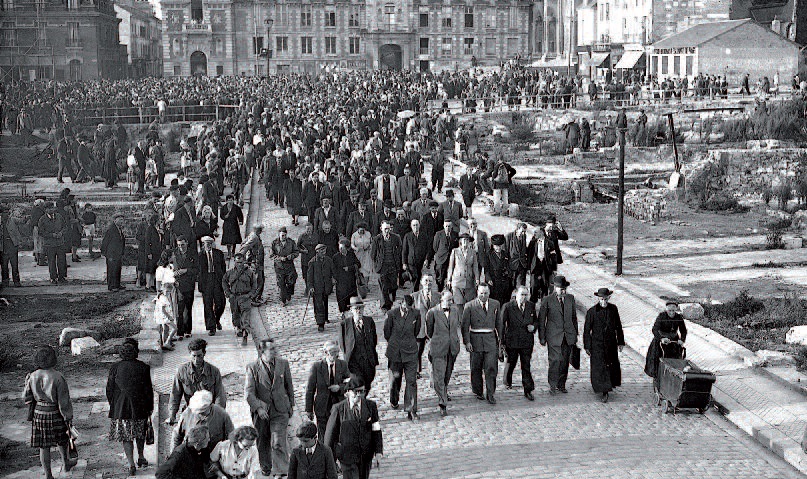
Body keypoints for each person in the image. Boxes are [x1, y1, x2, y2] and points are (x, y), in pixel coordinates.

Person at [23, 345, 78, 479]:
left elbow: (26, 397)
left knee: (43, 446)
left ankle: (48, 475)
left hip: (39, 413)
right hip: (55, 413)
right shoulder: (58, 377)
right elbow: (63, 401)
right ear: (54, 359)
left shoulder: (32, 376)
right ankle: (66, 463)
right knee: (62, 440)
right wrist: (68, 417)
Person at [245, 338, 295, 478]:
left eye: (275, 348)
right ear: (262, 351)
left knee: (278, 441)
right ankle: (266, 466)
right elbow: (249, 393)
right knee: (263, 441)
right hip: (262, 411)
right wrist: (259, 409)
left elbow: (288, 385)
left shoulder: (283, 364)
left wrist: (291, 404)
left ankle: (281, 471)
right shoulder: (252, 367)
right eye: (271, 349)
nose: (275, 351)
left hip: (280, 410)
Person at [105, 338, 154, 475]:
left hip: (121, 408)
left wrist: (114, 405)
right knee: (140, 433)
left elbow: (109, 389)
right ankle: (141, 456)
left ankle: (131, 463)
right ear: (136, 351)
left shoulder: (115, 367)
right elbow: (148, 390)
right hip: (140, 407)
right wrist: (150, 407)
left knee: (127, 436)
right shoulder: (144, 367)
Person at [324, 375, 383, 479]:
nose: (359, 395)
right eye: (355, 392)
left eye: (361, 391)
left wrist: (378, 452)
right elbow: (330, 436)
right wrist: (329, 460)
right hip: (347, 456)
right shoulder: (338, 409)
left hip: (366, 456)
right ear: (347, 393)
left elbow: (376, 430)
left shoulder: (371, 406)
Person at [167, 338, 227, 425]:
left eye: (199, 356)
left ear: (204, 354)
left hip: (209, 414)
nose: (196, 360)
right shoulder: (182, 371)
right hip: (190, 413)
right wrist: (172, 415)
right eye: (193, 356)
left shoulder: (214, 371)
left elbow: (220, 396)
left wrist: (217, 416)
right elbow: (175, 394)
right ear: (189, 354)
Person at [461, 283, 502, 405]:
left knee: (491, 367)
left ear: (489, 293)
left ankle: (490, 393)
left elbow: (499, 323)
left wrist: (500, 341)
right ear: (477, 292)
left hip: (490, 339)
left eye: (486, 293)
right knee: (476, 367)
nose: (483, 296)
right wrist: (467, 342)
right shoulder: (469, 306)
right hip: (476, 339)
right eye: (481, 293)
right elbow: (464, 326)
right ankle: (478, 391)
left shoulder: (495, 304)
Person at [538, 275, 579, 395]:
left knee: (565, 361)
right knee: (555, 360)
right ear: (555, 288)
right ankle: (552, 385)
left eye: (565, 288)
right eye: (561, 289)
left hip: (568, 335)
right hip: (553, 336)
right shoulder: (547, 300)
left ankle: (562, 384)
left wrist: (575, 333)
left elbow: (574, 317)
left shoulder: (570, 299)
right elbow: (541, 320)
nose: (564, 291)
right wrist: (542, 337)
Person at [583, 288, 625, 403]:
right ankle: (603, 390)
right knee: (599, 368)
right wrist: (587, 346)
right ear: (598, 298)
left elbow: (618, 326)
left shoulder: (613, 309)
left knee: (610, 366)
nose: (604, 302)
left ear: (609, 298)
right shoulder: (592, 312)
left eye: (606, 299)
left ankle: (608, 387)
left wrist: (620, 342)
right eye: (601, 299)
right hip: (597, 345)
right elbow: (587, 330)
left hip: (610, 344)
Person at [383, 294, 420, 420]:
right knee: (395, 380)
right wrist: (395, 343)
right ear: (401, 303)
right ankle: (394, 400)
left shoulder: (416, 314)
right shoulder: (392, 314)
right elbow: (387, 333)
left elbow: (416, 331)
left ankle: (411, 409)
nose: (407, 309)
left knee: (411, 381)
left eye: (410, 307)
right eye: (405, 306)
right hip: (395, 353)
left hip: (410, 352)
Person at [426, 290, 462, 416]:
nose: (450, 302)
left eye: (451, 299)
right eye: (447, 300)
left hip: (452, 348)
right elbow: (428, 331)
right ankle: (443, 403)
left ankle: (444, 392)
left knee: (447, 374)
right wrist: (438, 340)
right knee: (439, 377)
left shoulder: (456, 311)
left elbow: (456, 326)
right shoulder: (433, 312)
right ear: (441, 300)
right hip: (438, 348)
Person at [306, 340, 350, 441]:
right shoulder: (317, 367)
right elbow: (310, 389)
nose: (335, 354)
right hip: (322, 407)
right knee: (324, 436)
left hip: (338, 404)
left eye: (337, 351)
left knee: (338, 434)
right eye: (332, 352)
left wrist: (340, 387)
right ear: (326, 352)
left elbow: (350, 383)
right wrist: (309, 409)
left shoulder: (343, 365)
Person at [501, 286, 538, 401]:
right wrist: (501, 342)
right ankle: (507, 380)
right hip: (512, 340)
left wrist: (534, 327)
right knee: (511, 362)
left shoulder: (531, 306)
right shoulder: (508, 307)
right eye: (522, 295)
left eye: (526, 295)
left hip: (526, 341)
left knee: (526, 365)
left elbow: (536, 320)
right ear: (516, 295)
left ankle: (528, 389)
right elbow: (502, 324)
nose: (524, 297)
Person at [172, 390, 234, 457]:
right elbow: (177, 436)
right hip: (190, 456)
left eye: (202, 412)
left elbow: (231, 439)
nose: (200, 415)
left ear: (210, 406)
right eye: (197, 413)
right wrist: (174, 455)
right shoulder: (187, 413)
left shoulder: (222, 415)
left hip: (212, 457)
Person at [339, 297, 379, 391]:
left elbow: (374, 339)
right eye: (356, 308)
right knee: (357, 381)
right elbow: (342, 344)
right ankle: (359, 401)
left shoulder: (369, 321)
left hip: (368, 360)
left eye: (361, 308)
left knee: (368, 381)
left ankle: (363, 401)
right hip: (353, 361)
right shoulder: (345, 324)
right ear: (351, 310)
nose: (359, 311)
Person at [644, 301, 687, 379]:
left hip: (673, 341)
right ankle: (657, 377)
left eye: (673, 311)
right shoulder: (661, 316)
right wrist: (661, 338)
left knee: (674, 360)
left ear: (676, 310)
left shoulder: (678, 318)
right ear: (666, 310)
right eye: (669, 311)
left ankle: (673, 377)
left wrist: (682, 340)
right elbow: (655, 329)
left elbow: (683, 330)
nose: (671, 313)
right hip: (661, 340)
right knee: (658, 359)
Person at [223, 252, 258, 345]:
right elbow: (224, 282)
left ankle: (245, 334)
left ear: (244, 262)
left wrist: (250, 295)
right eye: (237, 262)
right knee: (235, 316)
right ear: (234, 262)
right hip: (234, 297)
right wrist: (228, 293)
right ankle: (238, 328)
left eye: (241, 262)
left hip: (245, 297)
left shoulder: (249, 272)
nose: (239, 264)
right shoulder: (230, 272)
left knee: (245, 317)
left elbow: (254, 284)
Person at [371, 221, 402, 312]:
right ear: (381, 229)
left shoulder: (396, 238)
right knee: (383, 286)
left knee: (393, 285)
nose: (387, 231)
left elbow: (399, 250)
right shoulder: (377, 239)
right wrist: (377, 264)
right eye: (385, 229)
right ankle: (385, 305)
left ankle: (390, 299)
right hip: (382, 266)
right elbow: (373, 254)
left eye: (389, 229)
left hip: (393, 265)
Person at [199, 236, 227, 335]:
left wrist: (223, 280)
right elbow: (199, 272)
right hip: (206, 282)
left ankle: (216, 319)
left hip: (217, 280)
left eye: (210, 243)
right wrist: (200, 285)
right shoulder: (200, 256)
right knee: (208, 305)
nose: (208, 245)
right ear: (203, 245)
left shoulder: (218, 254)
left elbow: (223, 267)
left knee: (221, 303)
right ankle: (211, 327)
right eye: (206, 244)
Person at [446, 233, 479, 314]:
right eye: (464, 240)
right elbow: (451, 267)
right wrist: (449, 280)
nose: (466, 242)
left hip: (469, 281)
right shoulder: (455, 251)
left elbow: (475, 266)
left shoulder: (473, 252)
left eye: (467, 240)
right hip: (457, 281)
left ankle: (467, 322)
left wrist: (477, 278)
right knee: (458, 303)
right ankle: (459, 322)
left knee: (469, 303)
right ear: (460, 241)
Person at [173, 235, 198, 339]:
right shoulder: (174, 253)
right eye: (179, 245)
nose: (181, 247)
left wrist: (186, 270)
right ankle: (180, 332)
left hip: (189, 284)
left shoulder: (193, 253)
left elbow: (197, 269)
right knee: (179, 309)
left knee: (188, 308)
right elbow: (165, 264)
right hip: (178, 285)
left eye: (182, 245)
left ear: (187, 243)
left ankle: (188, 330)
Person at [307, 244, 335, 331]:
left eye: (325, 251)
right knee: (318, 304)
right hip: (317, 287)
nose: (324, 253)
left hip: (326, 286)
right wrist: (310, 286)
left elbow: (333, 271)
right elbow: (309, 276)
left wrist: (333, 278)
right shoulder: (312, 262)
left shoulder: (328, 260)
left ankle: (325, 317)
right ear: (317, 252)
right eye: (322, 251)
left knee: (325, 301)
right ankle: (320, 323)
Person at [270, 226, 299, 307]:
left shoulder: (291, 242)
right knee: (281, 283)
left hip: (289, 265)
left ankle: (288, 293)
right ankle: (282, 300)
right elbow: (271, 255)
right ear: (279, 235)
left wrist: (291, 256)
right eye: (282, 235)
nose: (284, 237)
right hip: (279, 267)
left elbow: (296, 252)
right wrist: (279, 258)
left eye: (285, 235)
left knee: (292, 281)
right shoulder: (274, 243)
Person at [39, 202, 67, 284]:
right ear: (45, 210)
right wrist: (52, 235)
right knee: (51, 261)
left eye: (52, 208)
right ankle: (53, 277)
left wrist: (61, 233)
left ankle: (62, 277)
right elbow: (41, 232)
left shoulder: (59, 216)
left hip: (60, 243)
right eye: (49, 208)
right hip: (49, 244)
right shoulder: (42, 219)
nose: (51, 209)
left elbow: (65, 227)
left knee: (61, 260)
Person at [333, 239, 361, 315]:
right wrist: (334, 278)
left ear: (347, 248)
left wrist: (350, 268)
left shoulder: (351, 255)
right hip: (341, 281)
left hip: (350, 280)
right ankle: (343, 312)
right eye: (339, 248)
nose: (340, 249)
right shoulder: (336, 257)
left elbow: (358, 264)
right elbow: (333, 269)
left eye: (342, 248)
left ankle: (352, 311)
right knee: (341, 297)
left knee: (351, 297)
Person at [100, 213, 126, 291]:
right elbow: (105, 242)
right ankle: (111, 286)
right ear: (115, 220)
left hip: (118, 253)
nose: (122, 221)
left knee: (117, 269)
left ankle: (117, 285)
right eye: (120, 220)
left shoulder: (119, 229)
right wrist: (104, 253)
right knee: (112, 270)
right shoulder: (111, 230)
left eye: (123, 220)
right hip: (111, 254)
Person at [241, 224, 266, 306]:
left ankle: (257, 297)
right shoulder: (254, 237)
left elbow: (243, 243)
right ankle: (254, 298)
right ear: (257, 230)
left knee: (261, 279)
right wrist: (240, 257)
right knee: (259, 280)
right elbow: (245, 246)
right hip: (256, 262)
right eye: (260, 229)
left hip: (258, 261)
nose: (262, 231)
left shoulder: (253, 235)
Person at [402, 219, 428, 291]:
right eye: (414, 225)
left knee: (418, 276)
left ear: (419, 225)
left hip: (420, 261)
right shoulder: (407, 236)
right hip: (411, 261)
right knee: (415, 276)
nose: (415, 227)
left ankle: (414, 292)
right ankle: (414, 293)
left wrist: (426, 259)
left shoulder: (423, 236)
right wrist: (404, 263)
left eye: (417, 225)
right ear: (411, 226)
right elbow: (404, 250)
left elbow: (427, 248)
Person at [432, 219, 458, 292]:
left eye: (449, 226)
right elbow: (435, 247)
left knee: (451, 276)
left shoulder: (455, 234)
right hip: (441, 258)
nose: (448, 228)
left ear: (451, 226)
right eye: (446, 226)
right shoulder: (438, 234)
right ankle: (440, 291)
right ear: (443, 226)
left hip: (451, 259)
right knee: (440, 277)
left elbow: (456, 246)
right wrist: (440, 253)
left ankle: (449, 292)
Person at [0, 204, 22, 287]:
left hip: (12, 246)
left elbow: (17, 231)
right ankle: (5, 281)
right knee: (4, 266)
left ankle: (16, 281)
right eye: (4, 213)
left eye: (7, 212)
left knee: (14, 265)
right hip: (3, 247)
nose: (6, 214)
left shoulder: (12, 220)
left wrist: (19, 242)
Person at [154, 281, 178, 350]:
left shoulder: (160, 296)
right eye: (167, 291)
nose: (168, 293)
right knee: (174, 328)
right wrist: (169, 316)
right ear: (163, 289)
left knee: (166, 329)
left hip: (160, 316)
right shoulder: (164, 298)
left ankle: (164, 343)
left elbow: (154, 302)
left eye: (169, 292)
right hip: (164, 316)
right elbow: (163, 310)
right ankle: (167, 342)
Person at [220, 195, 244, 259]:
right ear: (226, 201)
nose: (230, 201)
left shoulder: (236, 208)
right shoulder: (224, 208)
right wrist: (225, 217)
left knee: (234, 239)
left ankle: (233, 251)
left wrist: (241, 221)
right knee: (227, 239)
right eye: (229, 200)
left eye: (231, 200)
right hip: (227, 224)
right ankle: (229, 252)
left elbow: (240, 215)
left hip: (234, 224)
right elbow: (221, 216)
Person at [298, 222, 318, 290]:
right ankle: (307, 287)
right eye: (307, 230)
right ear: (305, 229)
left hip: (314, 257)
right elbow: (297, 247)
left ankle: (313, 287)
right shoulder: (302, 236)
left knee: (314, 273)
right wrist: (302, 251)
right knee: (306, 274)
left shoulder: (316, 235)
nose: (309, 231)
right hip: (305, 259)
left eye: (310, 229)